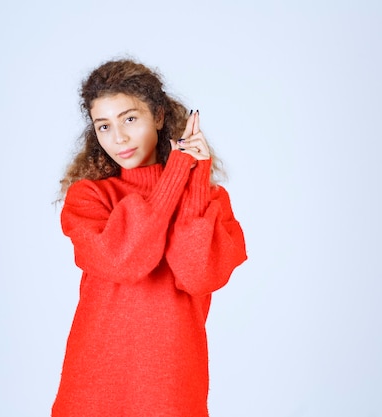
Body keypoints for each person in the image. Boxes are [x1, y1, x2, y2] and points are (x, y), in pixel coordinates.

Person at [52, 58, 247, 417]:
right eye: (104, 126)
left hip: (171, 383)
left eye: (130, 119)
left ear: (157, 117)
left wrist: (195, 179)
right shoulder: (89, 197)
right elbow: (124, 261)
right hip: (95, 383)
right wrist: (176, 172)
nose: (119, 138)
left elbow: (197, 275)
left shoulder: (207, 200)